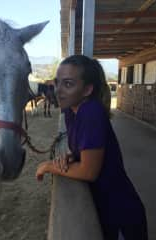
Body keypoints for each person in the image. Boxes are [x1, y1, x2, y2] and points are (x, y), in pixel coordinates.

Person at [35, 55, 148, 240]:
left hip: (119, 212)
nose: (58, 91)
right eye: (57, 83)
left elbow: (89, 172)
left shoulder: (91, 112)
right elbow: (84, 151)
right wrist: (72, 157)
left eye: (68, 84)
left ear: (87, 89)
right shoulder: (72, 111)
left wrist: (48, 166)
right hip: (102, 206)